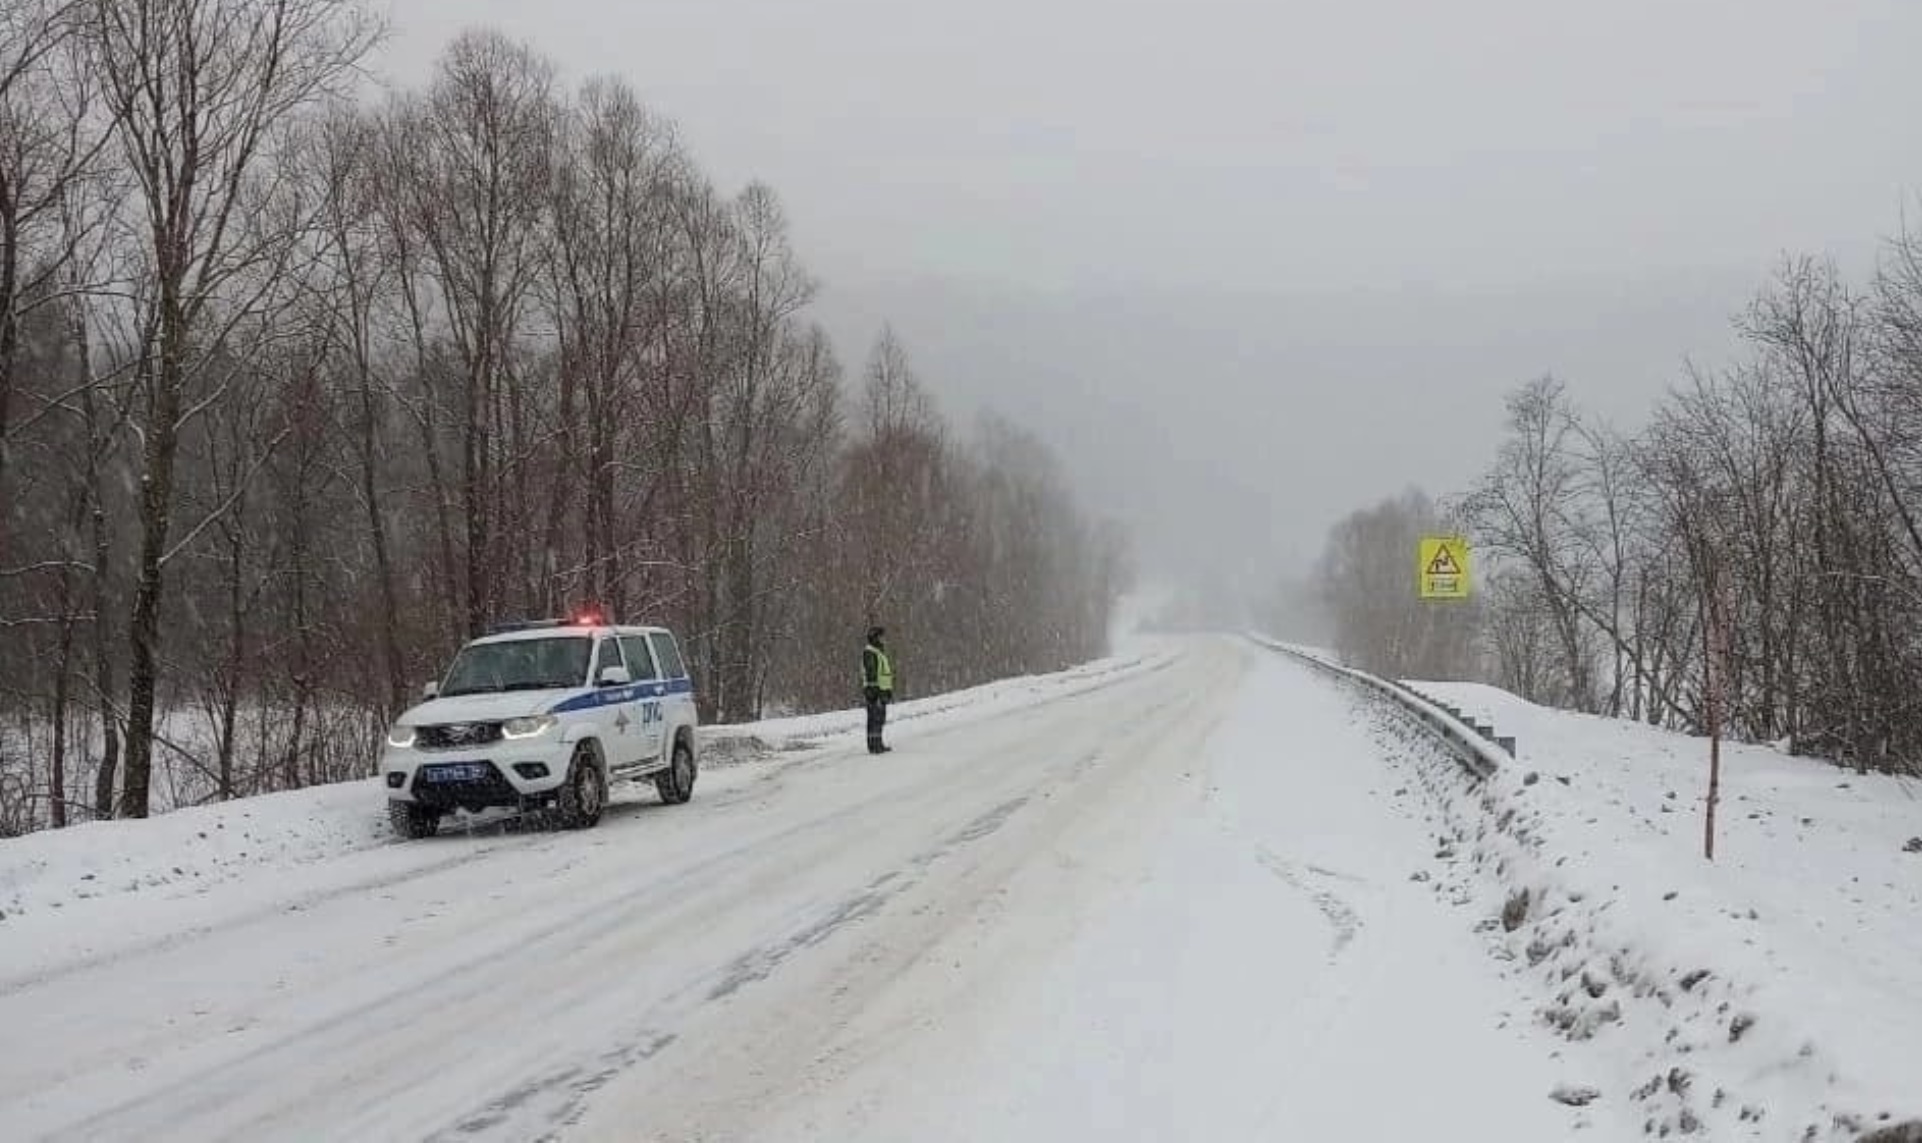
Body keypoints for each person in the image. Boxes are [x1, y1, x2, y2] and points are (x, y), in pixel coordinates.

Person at [862, 625, 895, 754]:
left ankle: (876, 743)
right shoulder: (870, 652)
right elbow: (871, 673)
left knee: (878, 718)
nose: (883, 639)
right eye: (881, 636)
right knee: (875, 718)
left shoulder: (878, 652)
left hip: (881, 690)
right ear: (875, 638)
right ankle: (875, 745)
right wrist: (875, 691)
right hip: (875, 691)